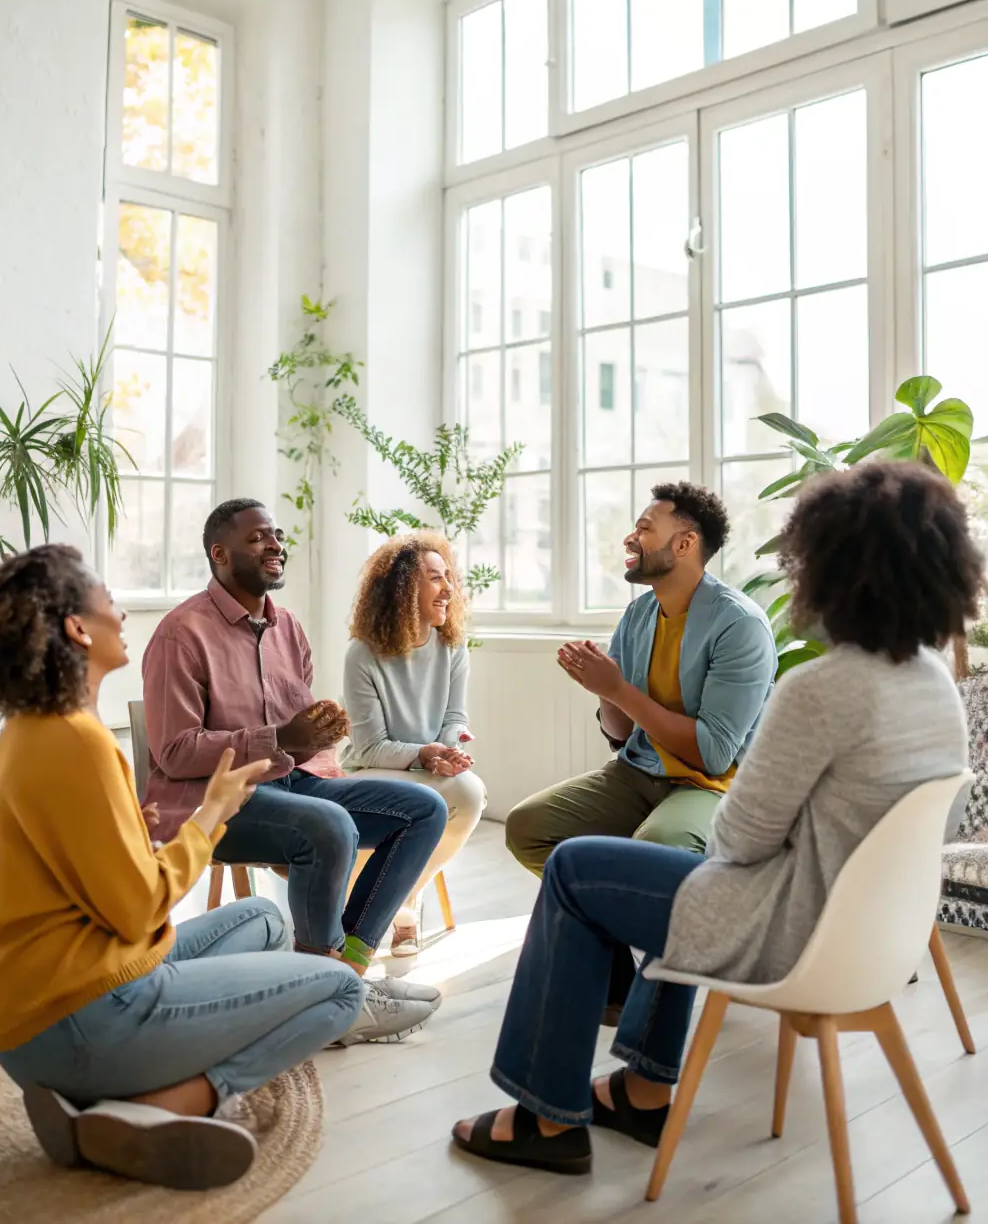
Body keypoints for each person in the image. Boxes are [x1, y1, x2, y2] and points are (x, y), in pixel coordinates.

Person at [450, 460, 980, 1174]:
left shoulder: (820, 688)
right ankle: (643, 1087)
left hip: (788, 930)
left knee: (582, 867)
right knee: (653, 864)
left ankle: (545, 1118)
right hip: (874, 937)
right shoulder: (937, 689)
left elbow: (736, 837)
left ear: (832, 565)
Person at [0, 545, 366, 1191]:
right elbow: (136, 908)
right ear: (76, 628)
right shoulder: (81, 740)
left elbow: (77, 877)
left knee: (263, 916)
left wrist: (137, 835)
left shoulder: (27, 728)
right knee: (342, 989)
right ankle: (152, 1108)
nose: (121, 611)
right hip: (75, 1020)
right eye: (106, 599)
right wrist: (209, 816)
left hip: (21, 1019)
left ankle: (96, 1096)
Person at [141, 499, 448, 1045]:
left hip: (290, 783)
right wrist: (283, 739)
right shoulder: (180, 634)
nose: (276, 545)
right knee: (327, 825)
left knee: (423, 809)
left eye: (277, 535)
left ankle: (342, 976)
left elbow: (301, 739)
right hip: (213, 804)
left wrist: (321, 737)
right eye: (258, 538)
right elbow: (174, 752)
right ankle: (327, 998)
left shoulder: (289, 630)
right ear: (219, 553)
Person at [505, 481, 776, 1016]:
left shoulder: (738, 625)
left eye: (646, 527)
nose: (632, 536)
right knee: (527, 827)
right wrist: (602, 692)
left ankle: (668, 988)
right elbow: (623, 734)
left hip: (713, 785)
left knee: (654, 848)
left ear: (684, 544)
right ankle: (616, 978)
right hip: (640, 772)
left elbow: (715, 754)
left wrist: (617, 689)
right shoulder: (638, 616)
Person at [341, 533, 486, 956]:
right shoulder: (362, 654)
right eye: (434, 579)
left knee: (469, 792)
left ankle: (404, 898)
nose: (448, 589)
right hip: (370, 770)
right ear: (403, 588)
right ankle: (398, 907)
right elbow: (368, 748)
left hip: (426, 767)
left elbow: (454, 717)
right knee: (438, 801)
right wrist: (424, 755)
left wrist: (448, 748)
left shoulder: (452, 645)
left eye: (449, 578)